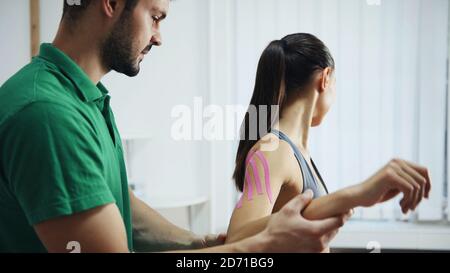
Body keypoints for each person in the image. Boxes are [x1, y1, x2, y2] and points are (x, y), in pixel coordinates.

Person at [0, 1, 350, 253]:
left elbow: (119, 205)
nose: (158, 37)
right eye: (155, 17)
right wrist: (263, 244)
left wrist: (195, 242)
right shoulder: (48, 114)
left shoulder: (87, 101)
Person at [225, 33, 431, 250]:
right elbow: (237, 240)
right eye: (334, 84)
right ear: (326, 77)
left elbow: (296, 217)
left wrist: (361, 197)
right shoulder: (275, 150)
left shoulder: (296, 151)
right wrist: (356, 194)